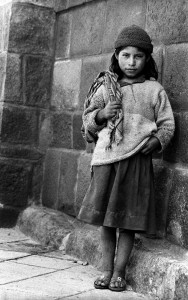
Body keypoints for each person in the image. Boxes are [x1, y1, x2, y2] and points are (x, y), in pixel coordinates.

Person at [77, 25, 175, 292]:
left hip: (136, 163)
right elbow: (87, 123)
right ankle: (106, 270)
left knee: (127, 222)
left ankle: (120, 272)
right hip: (107, 161)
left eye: (139, 56)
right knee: (108, 222)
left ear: (147, 59)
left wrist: (156, 141)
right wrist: (101, 114)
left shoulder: (154, 91)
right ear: (117, 56)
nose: (132, 62)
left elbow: (167, 125)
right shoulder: (106, 88)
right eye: (126, 56)